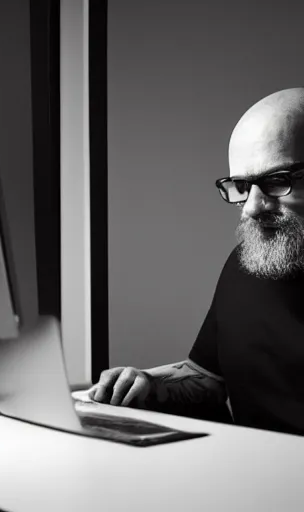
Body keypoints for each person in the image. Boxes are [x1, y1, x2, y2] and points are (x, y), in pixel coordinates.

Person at [89, 88, 304, 436]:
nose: (251, 207)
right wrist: (148, 385)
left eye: (277, 181)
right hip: (253, 479)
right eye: (242, 186)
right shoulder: (246, 263)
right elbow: (207, 379)